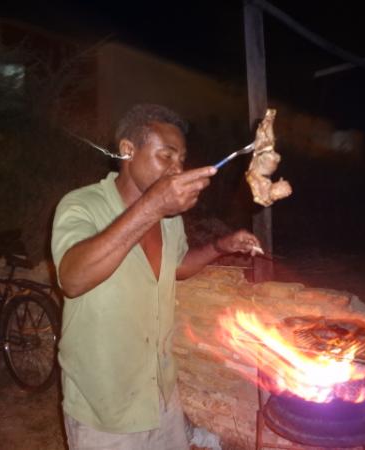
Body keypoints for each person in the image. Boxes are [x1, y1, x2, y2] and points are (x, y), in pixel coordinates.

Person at [51, 103, 261, 449]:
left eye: (181, 159)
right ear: (127, 150)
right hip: (105, 406)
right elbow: (73, 279)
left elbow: (176, 266)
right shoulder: (80, 205)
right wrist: (151, 207)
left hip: (161, 393)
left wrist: (221, 247)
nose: (177, 168)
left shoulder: (169, 218)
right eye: (166, 156)